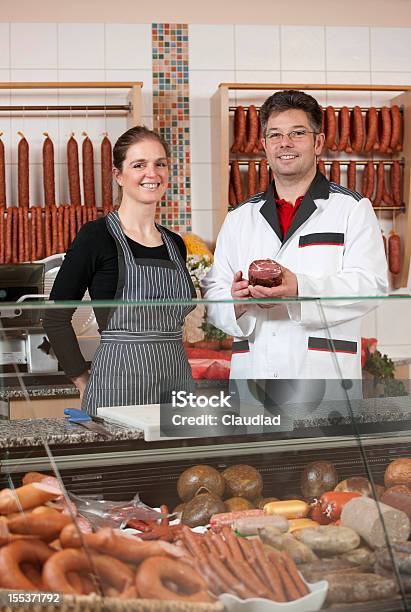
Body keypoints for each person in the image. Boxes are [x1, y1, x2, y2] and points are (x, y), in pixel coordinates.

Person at [201, 90, 388, 389]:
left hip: (323, 377)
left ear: (318, 143)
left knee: (321, 438)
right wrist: (234, 303)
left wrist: (300, 288)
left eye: (297, 133)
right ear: (263, 145)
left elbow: (372, 287)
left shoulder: (351, 209)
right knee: (255, 437)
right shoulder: (239, 218)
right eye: (275, 135)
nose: (284, 143)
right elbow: (213, 297)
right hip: (254, 374)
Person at [44, 126, 196, 414]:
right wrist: (82, 380)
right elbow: (54, 317)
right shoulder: (96, 237)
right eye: (139, 165)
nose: (152, 174)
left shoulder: (175, 244)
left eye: (160, 164)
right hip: (117, 387)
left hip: (177, 385)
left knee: (176, 461)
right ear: (119, 175)